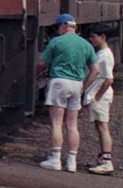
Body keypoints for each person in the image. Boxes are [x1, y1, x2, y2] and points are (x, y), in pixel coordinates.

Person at [36, 13, 100, 173]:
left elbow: (42, 63)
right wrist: (84, 86)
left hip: (59, 82)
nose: (58, 30)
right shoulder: (86, 45)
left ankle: (55, 159)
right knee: (72, 125)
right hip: (77, 84)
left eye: (58, 26)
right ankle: (72, 162)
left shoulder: (57, 41)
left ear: (64, 25)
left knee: (57, 123)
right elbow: (96, 70)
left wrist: (36, 74)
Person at [83, 25, 117, 174]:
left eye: (93, 36)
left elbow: (109, 79)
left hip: (101, 96)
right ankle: (102, 158)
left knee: (102, 127)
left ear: (102, 37)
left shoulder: (105, 55)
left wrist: (98, 95)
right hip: (100, 95)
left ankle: (107, 162)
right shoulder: (103, 53)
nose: (91, 40)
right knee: (100, 126)